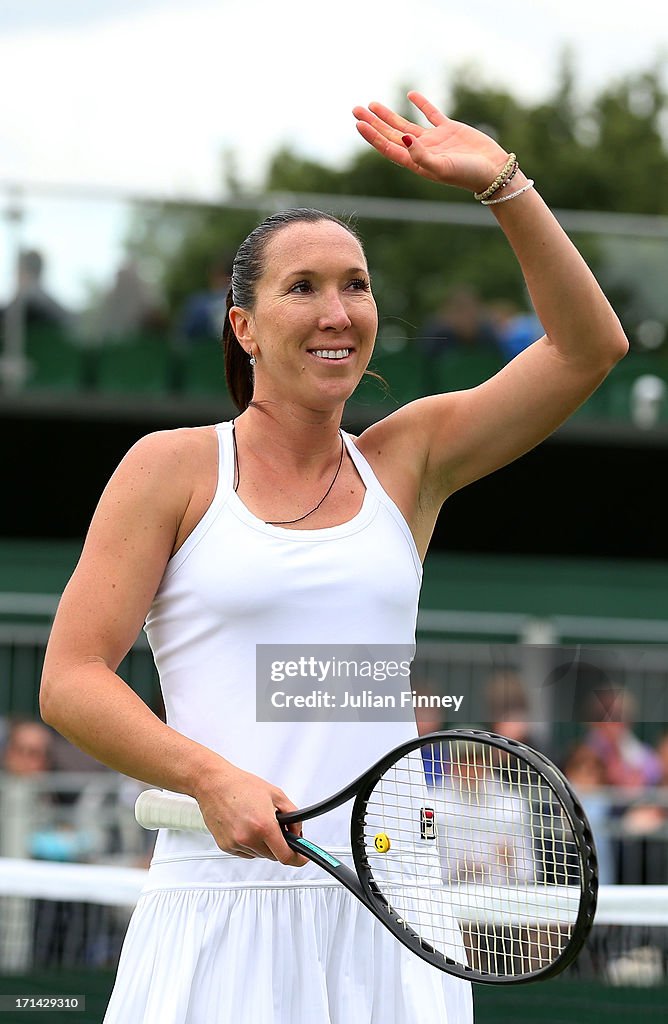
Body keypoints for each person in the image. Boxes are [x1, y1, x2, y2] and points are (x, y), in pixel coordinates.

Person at [39, 91, 628, 1023]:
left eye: (355, 283)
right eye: (302, 287)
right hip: (219, 910)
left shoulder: (412, 458)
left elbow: (590, 348)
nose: (337, 310)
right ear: (243, 325)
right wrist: (210, 777)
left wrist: (506, 186)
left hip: (395, 920)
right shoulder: (170, 468)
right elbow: (70, 679)